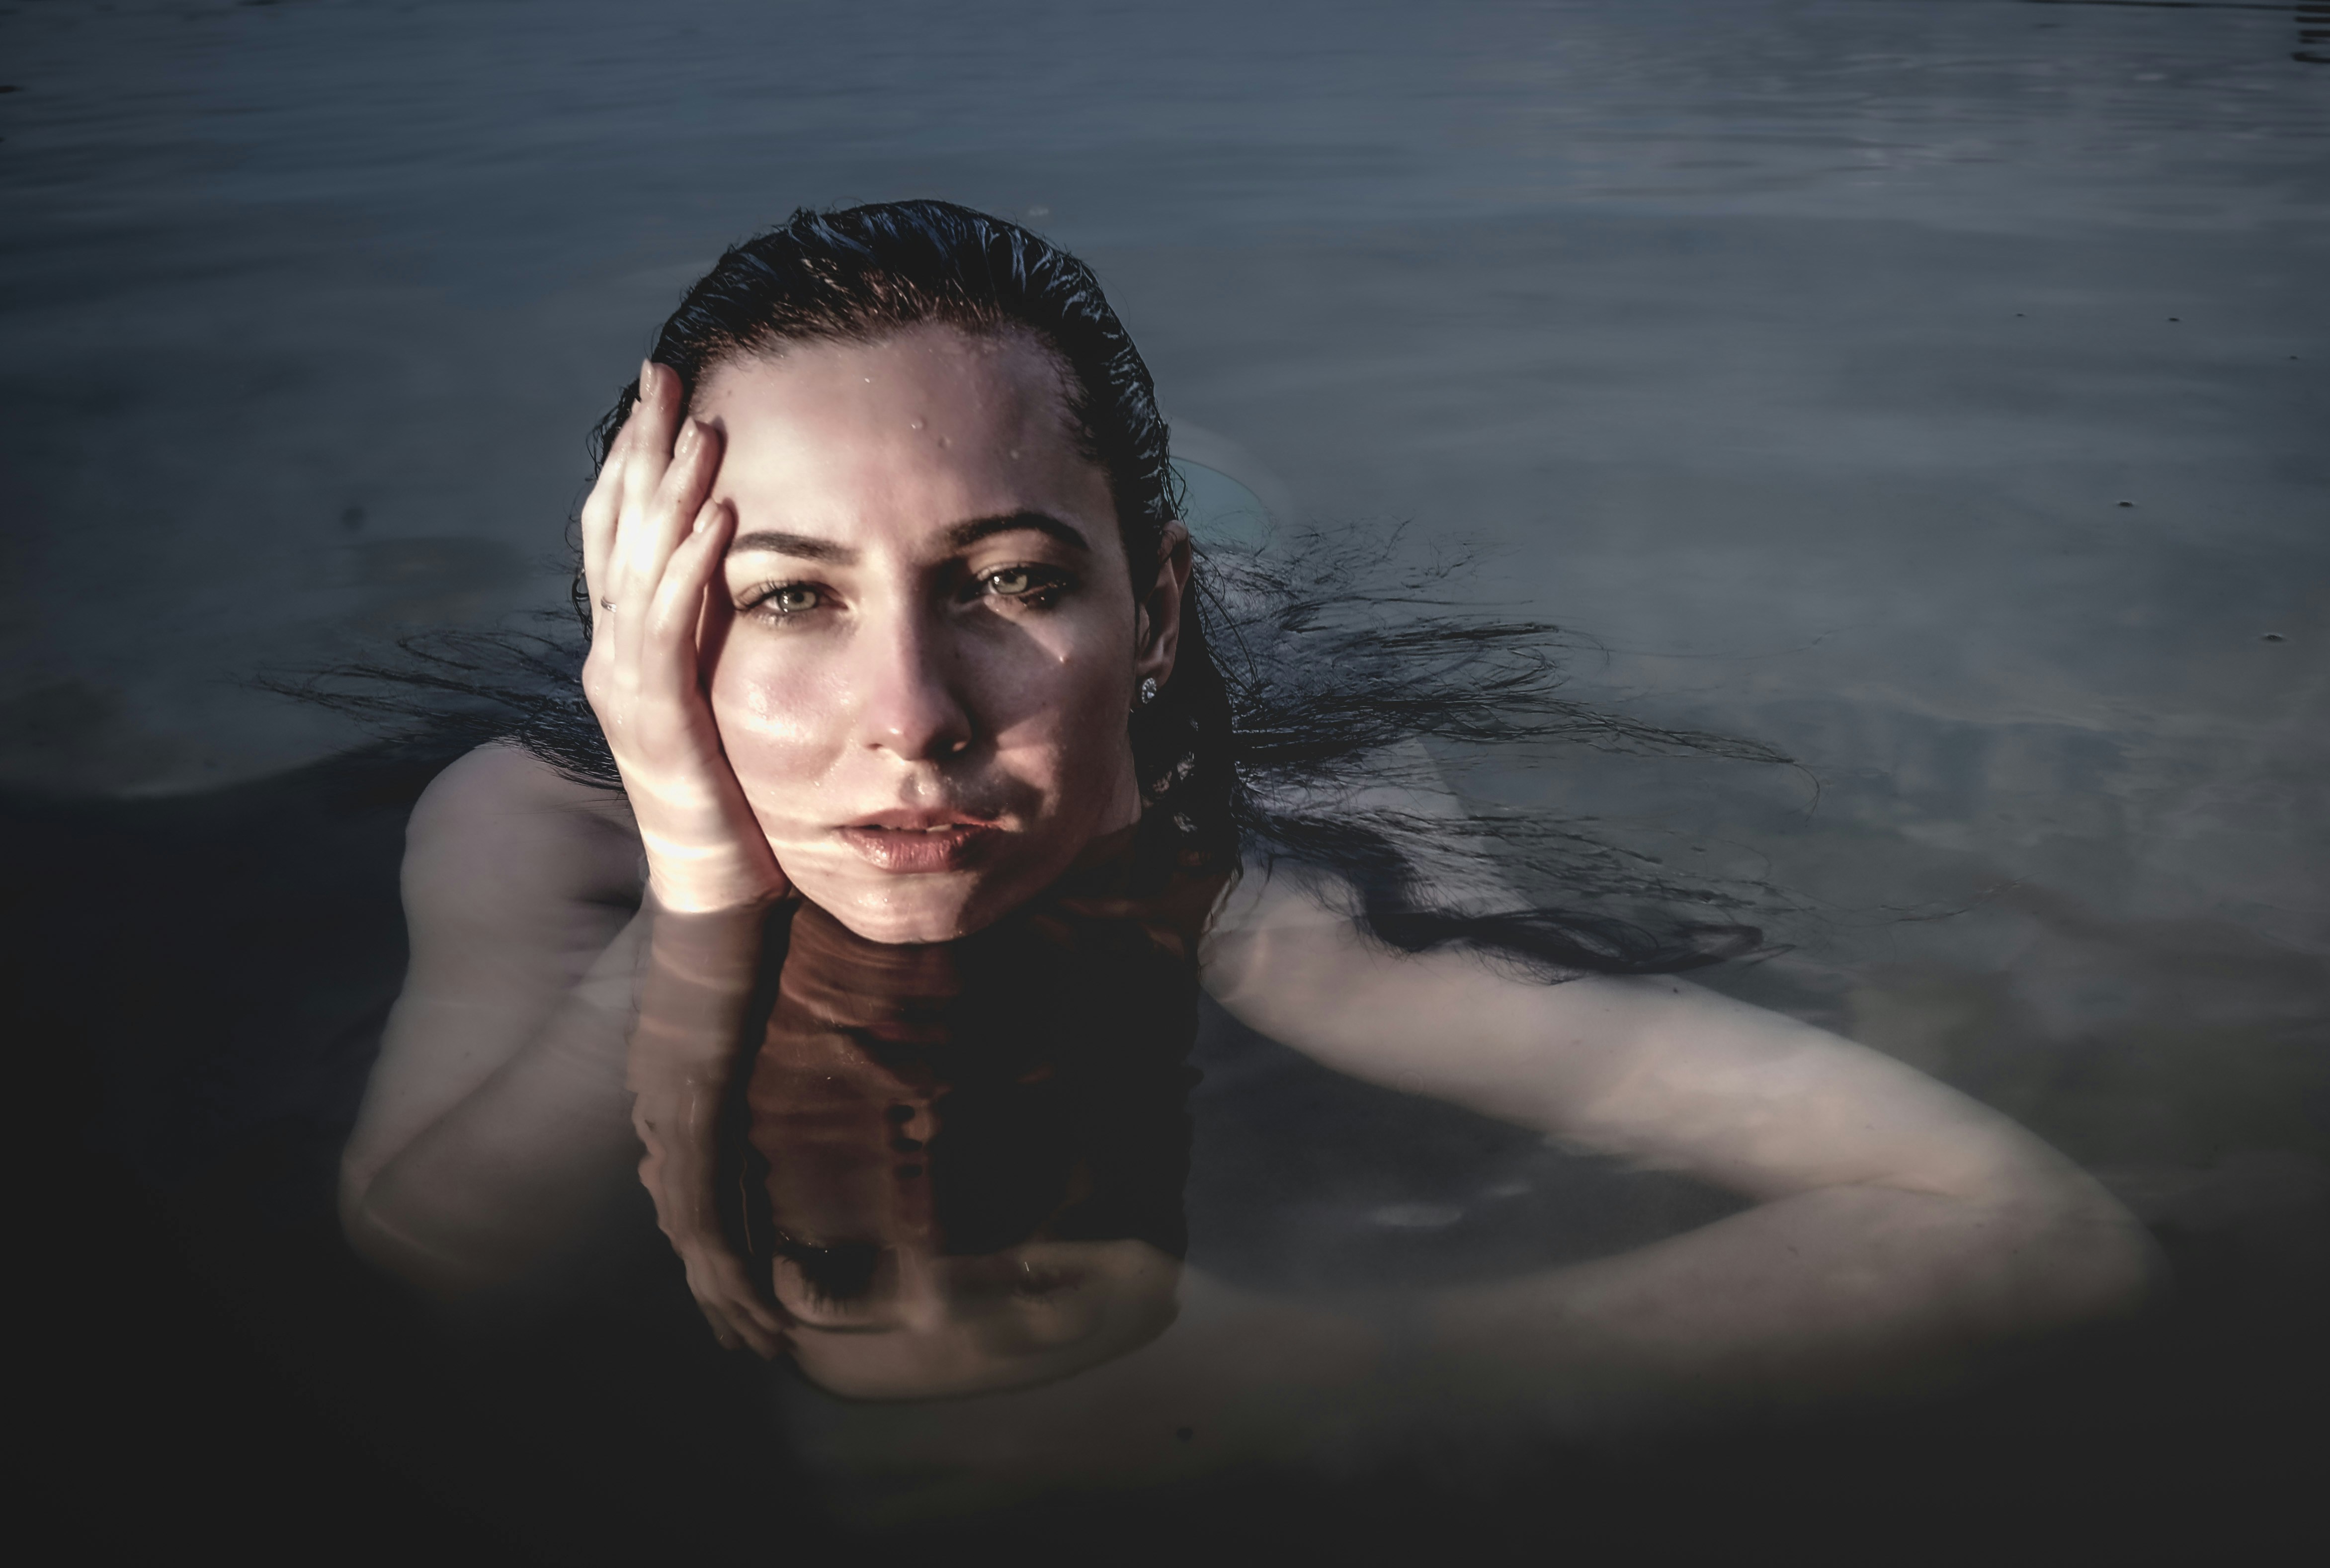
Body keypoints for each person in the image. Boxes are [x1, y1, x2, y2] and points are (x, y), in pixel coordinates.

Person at [337, 202, 2154, 1435]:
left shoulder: (1278, 868)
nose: (912, 721)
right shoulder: (541, 819)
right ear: (651, 628)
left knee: (1204, 522)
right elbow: (441, 1266)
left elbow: (2028, 1222)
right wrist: (701, 866)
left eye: (1007, 587)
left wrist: (1356, 1371)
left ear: (1151, 628)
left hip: (1237, 596)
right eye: (785, 597)